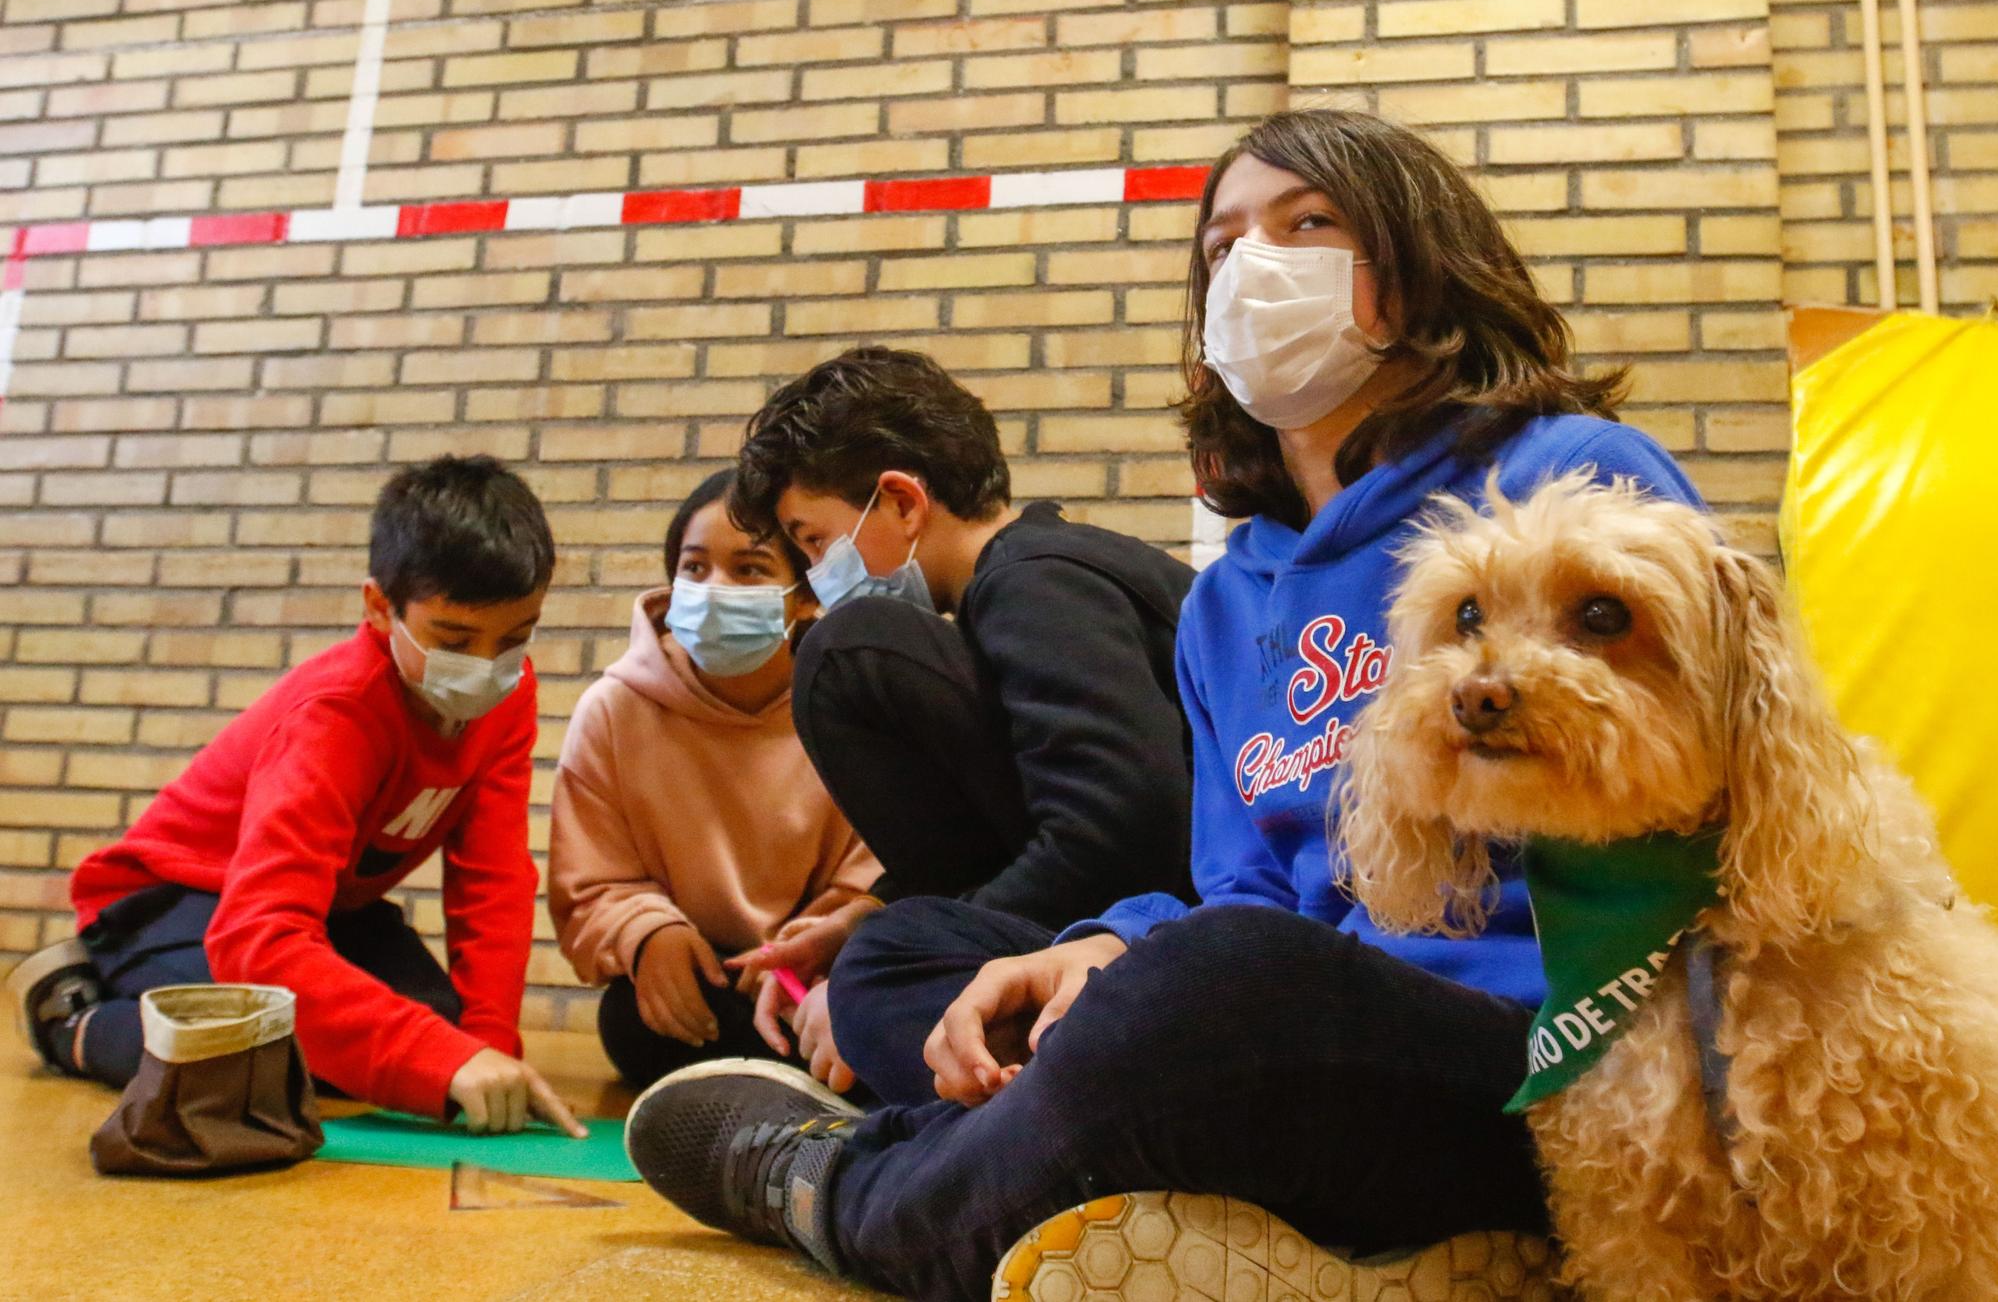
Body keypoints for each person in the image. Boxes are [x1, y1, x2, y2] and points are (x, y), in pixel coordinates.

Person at [624, 108, 1709, 1299]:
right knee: (905, 962)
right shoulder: (1226, 599)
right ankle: (1276, 1226)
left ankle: (838, 1187)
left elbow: (1704, 782)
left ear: (1411, 269)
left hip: (1544, 1058)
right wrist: (1103, 945)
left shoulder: (1567, 469)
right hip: (1290, 1028)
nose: (1251, 267)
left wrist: (1171, 982)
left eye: (1306, 225)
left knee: (1224, 987)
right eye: (1220, 246)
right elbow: (1237, 878)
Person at [7, 455, 584, 1137]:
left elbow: (492, 881)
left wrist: (487, 1046)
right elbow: (256, 936)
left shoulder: (508, 697)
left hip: (320, 907)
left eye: (514, 639)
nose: (486, 668)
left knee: (440, 1033)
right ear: (379, 608)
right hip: (176, 899)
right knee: (268, 1053)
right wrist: (437, 1062)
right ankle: (76, 1020)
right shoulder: (334, 715)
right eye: (454, 640)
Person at [724, 346, 1198, 1105]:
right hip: (1139, 918)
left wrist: (912, 950)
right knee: (872, 952)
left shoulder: (1037, 582)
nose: (818, 573)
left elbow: (1114, 829)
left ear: (904, 502)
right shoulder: (1021, 587)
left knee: (844, 654)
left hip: (1173, 929)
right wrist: (869, 915)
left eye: (815, 539)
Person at [547, 468, 880, 1092]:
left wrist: (807, 946)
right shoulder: (614, 711)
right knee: (633, 1022)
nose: (713, 588)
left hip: (810, 976)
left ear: (806, 596)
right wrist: (647, 934)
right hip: (699, 976)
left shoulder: (850, 710)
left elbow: (879, 877)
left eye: (749, 570)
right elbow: (590, 883)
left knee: (871, 1023)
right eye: (694, 569)